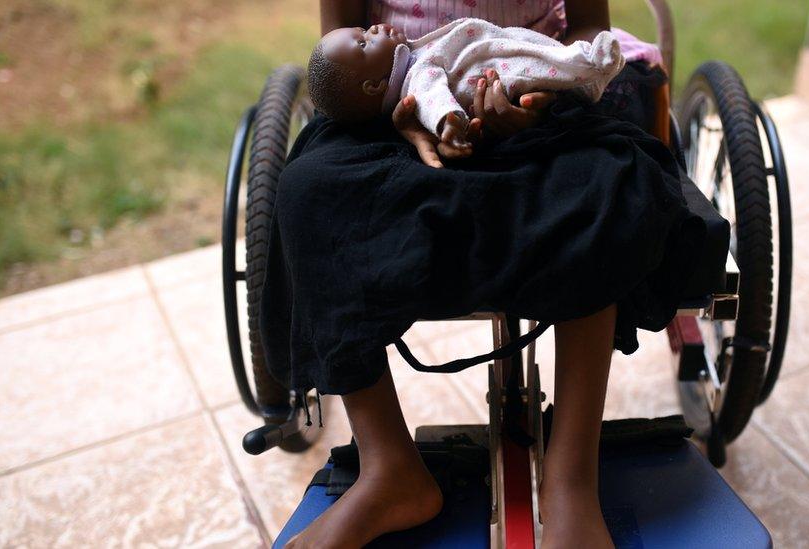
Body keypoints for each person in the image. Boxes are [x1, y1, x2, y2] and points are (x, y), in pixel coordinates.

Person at [265, 1, 703, 547]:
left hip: (535, 99)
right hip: (392, 118)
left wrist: (547, 99)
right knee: (306, 192)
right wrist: (411, 119)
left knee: (610, 189)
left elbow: (590, 25)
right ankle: (389, 469)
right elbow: (342, 60)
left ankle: (570, 484)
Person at [305, 18, 625, 156]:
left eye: (364, 30)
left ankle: (579, 66)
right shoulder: (415, 75)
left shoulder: (413, 58)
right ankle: (583, 69)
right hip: (490, 77)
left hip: (507, 55)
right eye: (364, 40)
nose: (373, 29)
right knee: (528, 69)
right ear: (375, 86)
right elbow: (432, 96)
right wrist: (448, 122)